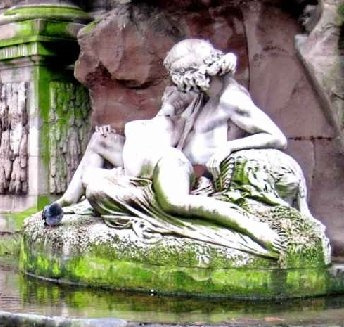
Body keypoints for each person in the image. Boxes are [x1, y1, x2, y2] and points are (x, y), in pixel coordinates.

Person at [46, 39, 309, 257]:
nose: (178, 87)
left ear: (193, 76)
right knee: (101, 141)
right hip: (165, 162)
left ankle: (253, 229)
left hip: (186, 173)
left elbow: (277, 137)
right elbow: (167, 134)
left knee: (165, 198)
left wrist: (230, 148)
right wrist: (166, 111)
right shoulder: (202, 97)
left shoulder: (231, 99)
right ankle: (67, 202)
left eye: (179, 80)